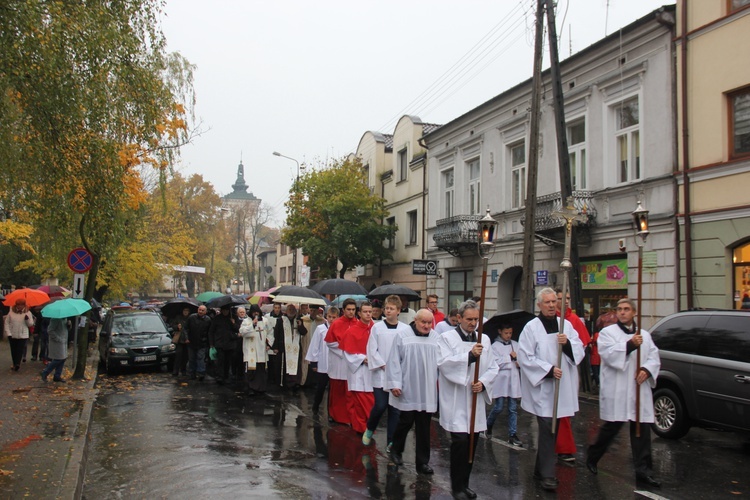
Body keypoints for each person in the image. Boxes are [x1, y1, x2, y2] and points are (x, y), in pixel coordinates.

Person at [586, 298, 661, 487]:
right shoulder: (607, 333)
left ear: (634, 312)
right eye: (619, 309)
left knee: (641, 431)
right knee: (612, 428)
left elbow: (654, 356)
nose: (622, 312)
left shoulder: (643, 334)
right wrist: (629, 345)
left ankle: (644, 471)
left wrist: (647, 369)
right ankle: (593, 455)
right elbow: (609, 355)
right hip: (618, 388)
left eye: (626, 309)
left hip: (638, 389)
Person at [517, 287, 585, 491]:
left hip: (561, 387)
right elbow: (525, 356)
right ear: (539, 305)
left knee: (552, 429)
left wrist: (567, 345)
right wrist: (547, 370)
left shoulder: (565, 326)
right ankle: (547, 474)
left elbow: (580, 348)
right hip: (543, 389)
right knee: (547, 427)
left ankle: (540, 469)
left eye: (554, 301)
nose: (552, 305)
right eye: (547, 302)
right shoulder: (531, 328)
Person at [437, 300, 498, 499]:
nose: (473, 323)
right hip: (456, 399)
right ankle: (456, 485)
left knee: (472, 442)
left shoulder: (485, 340)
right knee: (460, 442)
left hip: (474, 398)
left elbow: (493, 367)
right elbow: (444, 364)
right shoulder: (446, 338)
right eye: (469, 319)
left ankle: (466, 483)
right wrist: (469, 356)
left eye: (476, 319)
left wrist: (483, 382)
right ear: (459, 318)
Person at [386, 309, 440, 476]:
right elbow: (394, 361)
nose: (426, 326)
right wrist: (395, 383)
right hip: (408, 385)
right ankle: (396, 449)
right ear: (415, 320)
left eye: (429, 323)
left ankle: (422, 463)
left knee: (424, 426)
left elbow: (443, 361)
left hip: (427, 388)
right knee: (406, 421)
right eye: (423, 322)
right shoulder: (403, 336)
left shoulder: (435, 338)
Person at [363, 295, 408, 448]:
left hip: (397, 376)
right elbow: (371, 349)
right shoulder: (377, 328)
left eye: (391, 309)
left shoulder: (405, 329)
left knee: (394, 410)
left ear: (398, 311)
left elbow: (406, 351)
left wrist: (399, 368)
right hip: (381, 373)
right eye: (386, 308)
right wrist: (383, 365)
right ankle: (370, 428)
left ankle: (391, 441)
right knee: (381, 405)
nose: (388, 311)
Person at [555, 289, 592, 464]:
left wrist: (569, 345)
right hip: (552, 372)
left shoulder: (574, 320)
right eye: (561, 299)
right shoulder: (547, 321)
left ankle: (563, 446)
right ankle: (561, 447)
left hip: (568, 370)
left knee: (565, 411)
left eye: (567, 298)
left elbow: (582, 344)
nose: (565, 302)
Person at [486, 323, 523, 447]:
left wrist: (518, 361)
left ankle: (513, 434)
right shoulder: (495, 346)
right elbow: (496, 363)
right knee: (499, 407)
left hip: (513, 380)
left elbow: (521, 362)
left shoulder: (515, 345)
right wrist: (509, 358)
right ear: (500, 332)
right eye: (506, 333)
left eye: (510, 333)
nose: (508, 336)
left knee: (513, 408)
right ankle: (488, 424)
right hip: (501, 381)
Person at [340, 301, 375, 433]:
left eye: (370, 312)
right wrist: (362, 359)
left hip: (372, 370)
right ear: (359, 313)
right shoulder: (352, 331)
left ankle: (369, 427)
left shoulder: (376, 328)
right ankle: (360, 428)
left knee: (371, 401)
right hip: (358, 371)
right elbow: (347, 352)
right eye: (365, 312)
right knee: (358, 403)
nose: (368, 314)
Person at [325, 298, 358, 424]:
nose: (351, 312)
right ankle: (335, 414)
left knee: (350, 391)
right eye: (348, 309)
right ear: (343, 310)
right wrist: (344, 351)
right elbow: (330, 342)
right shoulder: (336, 323)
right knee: (337, 391)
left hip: (353, 362)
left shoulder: (358, 323)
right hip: (339, 361)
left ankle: (349, 415)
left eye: (353, 310)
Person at [306, 307, 339, 414]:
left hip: (335, 363)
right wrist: (314, 362)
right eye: (329, 317)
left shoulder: (340, 329)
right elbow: (315, 346)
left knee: (333, 390)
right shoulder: (321, 329)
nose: (331, 319)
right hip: (323, 362)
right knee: (321, 387)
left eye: (334, 317)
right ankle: (316, 405)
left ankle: (331, 410)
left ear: (338, 317)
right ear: (326, 316)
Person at [272, 303, 307, 389]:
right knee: (284, 365)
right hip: (284, 347)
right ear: (286, 311)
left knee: (296, 365)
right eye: (289, 310)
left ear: (295, 312)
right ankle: (285, 382)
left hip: (295, 347)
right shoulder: (281, 320)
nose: (291, 312)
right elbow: (276, 333)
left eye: (293, 310)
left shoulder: (299, 320)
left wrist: (300, 325)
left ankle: (295, 382)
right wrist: (275, 347)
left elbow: (304, 332)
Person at [239, 305, 270, 396]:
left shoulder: (265, 321)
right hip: (251, 349)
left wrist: (269, 343)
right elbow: (242, 332)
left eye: (257, 312)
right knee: (251, 370)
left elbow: (270, 332)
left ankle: (261, 388)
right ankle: (251, 387)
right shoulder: (246, 321)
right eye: (254, 312)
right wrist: (252, 325)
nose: (256, 314)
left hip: (262, 349)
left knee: (261, 370)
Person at [208, 305, 239, 384]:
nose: (225, 312)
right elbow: (211, 331)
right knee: (220, 361)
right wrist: (211, 343)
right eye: (224, 310)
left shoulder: (233, 317)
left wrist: (233, 323)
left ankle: (226, 375)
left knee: (228, 361)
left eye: (227, 310)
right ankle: (220, 376)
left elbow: (238, 329)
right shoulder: (217, 318)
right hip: (220, 343)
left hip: (230, 343)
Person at [4, 298, 34, 371]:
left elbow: (30, 324)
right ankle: (14, 363)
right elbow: (7, 323)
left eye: (21, 305)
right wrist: (8, 333)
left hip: (23, 335)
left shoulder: (28, 313)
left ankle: (17, 364)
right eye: (18, 305)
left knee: (20, 349)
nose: (20, 306)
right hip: (12, 334)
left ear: (24, 305)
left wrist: (27, 320)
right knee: (13, 350)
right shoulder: (11, 313)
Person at [186, 305, 211, 381]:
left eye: (202, 310)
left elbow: (209, 332)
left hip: (202, 342)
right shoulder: (191, 317)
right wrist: (186, 338)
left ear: (205, 312)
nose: (200, 311)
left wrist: (208, 342)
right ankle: (192, 373)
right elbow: (186, 328)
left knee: (200, 358)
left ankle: (201, 373)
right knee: (192, 358)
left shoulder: (208, 320)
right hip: (192, 342)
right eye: (199, 310)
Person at [41, 318, 69, 382]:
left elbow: (65, 330)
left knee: (63, 358)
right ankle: (45, 372)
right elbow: (50, 330)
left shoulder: (64, 319)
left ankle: (57, 376)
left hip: (63, 341)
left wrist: (69, 325)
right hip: (57, 342)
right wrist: (58, 339)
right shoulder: (55, 319)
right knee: (59, 359)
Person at [265, 303, 283, 386]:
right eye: (275, 308)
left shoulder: (283, 317)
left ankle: (277, 379)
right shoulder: (267, 317)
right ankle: (270, 378)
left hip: (278, 341)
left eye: (278, 308)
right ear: (273, 308)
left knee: (277, 363)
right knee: (270, 362)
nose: (277, 309)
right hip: (269, 339)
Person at [170, 307, 191, 377]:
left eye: (187, 311)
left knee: (185, 357)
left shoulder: (190, 318)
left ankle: (183, 370)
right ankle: (175, 370)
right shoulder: (178, 317)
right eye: (184, 310)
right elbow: (172, 325)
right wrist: (177, 327)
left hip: (187, 339)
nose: (185, 312)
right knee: (178, 355)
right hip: (179, 339)